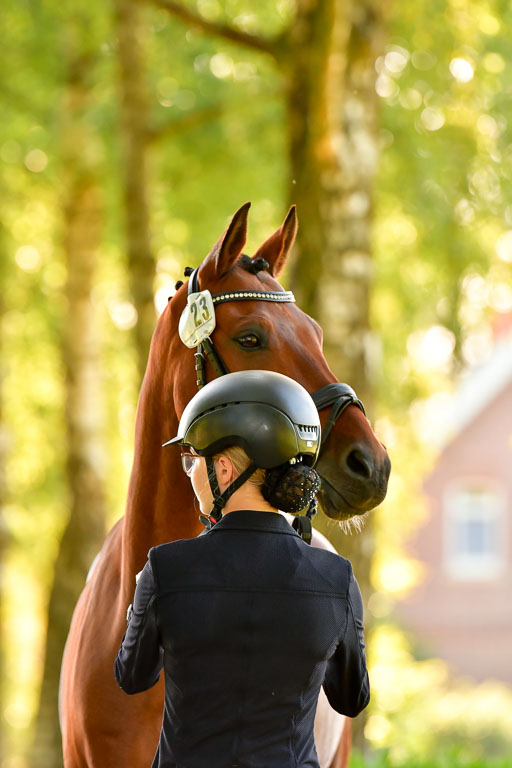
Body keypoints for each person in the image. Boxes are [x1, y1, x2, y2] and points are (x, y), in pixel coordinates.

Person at [114, 370, 369, 768]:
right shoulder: (335, 578)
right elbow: (351, 698)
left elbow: (132, 677)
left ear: (225, 470)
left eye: (192, 461)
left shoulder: (166, 568)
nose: (191, 475)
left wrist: (140, 601)